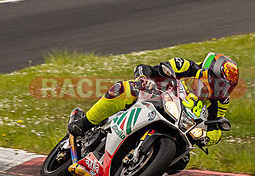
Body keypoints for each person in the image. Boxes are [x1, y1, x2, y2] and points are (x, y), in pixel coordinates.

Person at [68, 53, 240, 150]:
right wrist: (143, 77)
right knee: (123, 90)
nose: (221, 90)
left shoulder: (221, 101)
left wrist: (205, 138)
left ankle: (144, 164)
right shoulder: (187, 67)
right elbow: (153, 69)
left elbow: (216, 128)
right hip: (158, 100)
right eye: (219, 84)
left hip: (182, 125)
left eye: (226, 87)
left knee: (181, 159)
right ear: (207, 72)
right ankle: (85, 122)